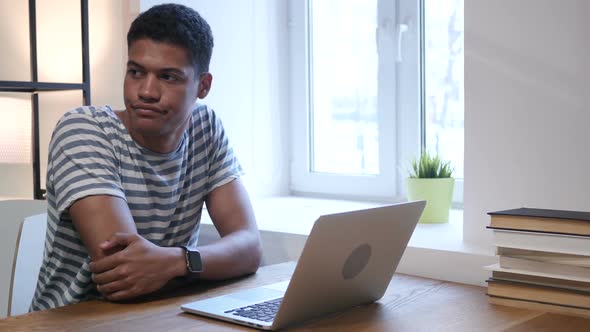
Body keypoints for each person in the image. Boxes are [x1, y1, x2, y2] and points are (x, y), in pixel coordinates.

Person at [30, 3, 262, 311]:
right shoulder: (83, 130)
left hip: (166, 317)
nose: (147, 92)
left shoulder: (205, 127)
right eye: (136, 72)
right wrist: (200, 263)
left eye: (168, 77)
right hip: (73, 323)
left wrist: (177, 261)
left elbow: (249, 247)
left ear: (203, 86)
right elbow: (124, 273)